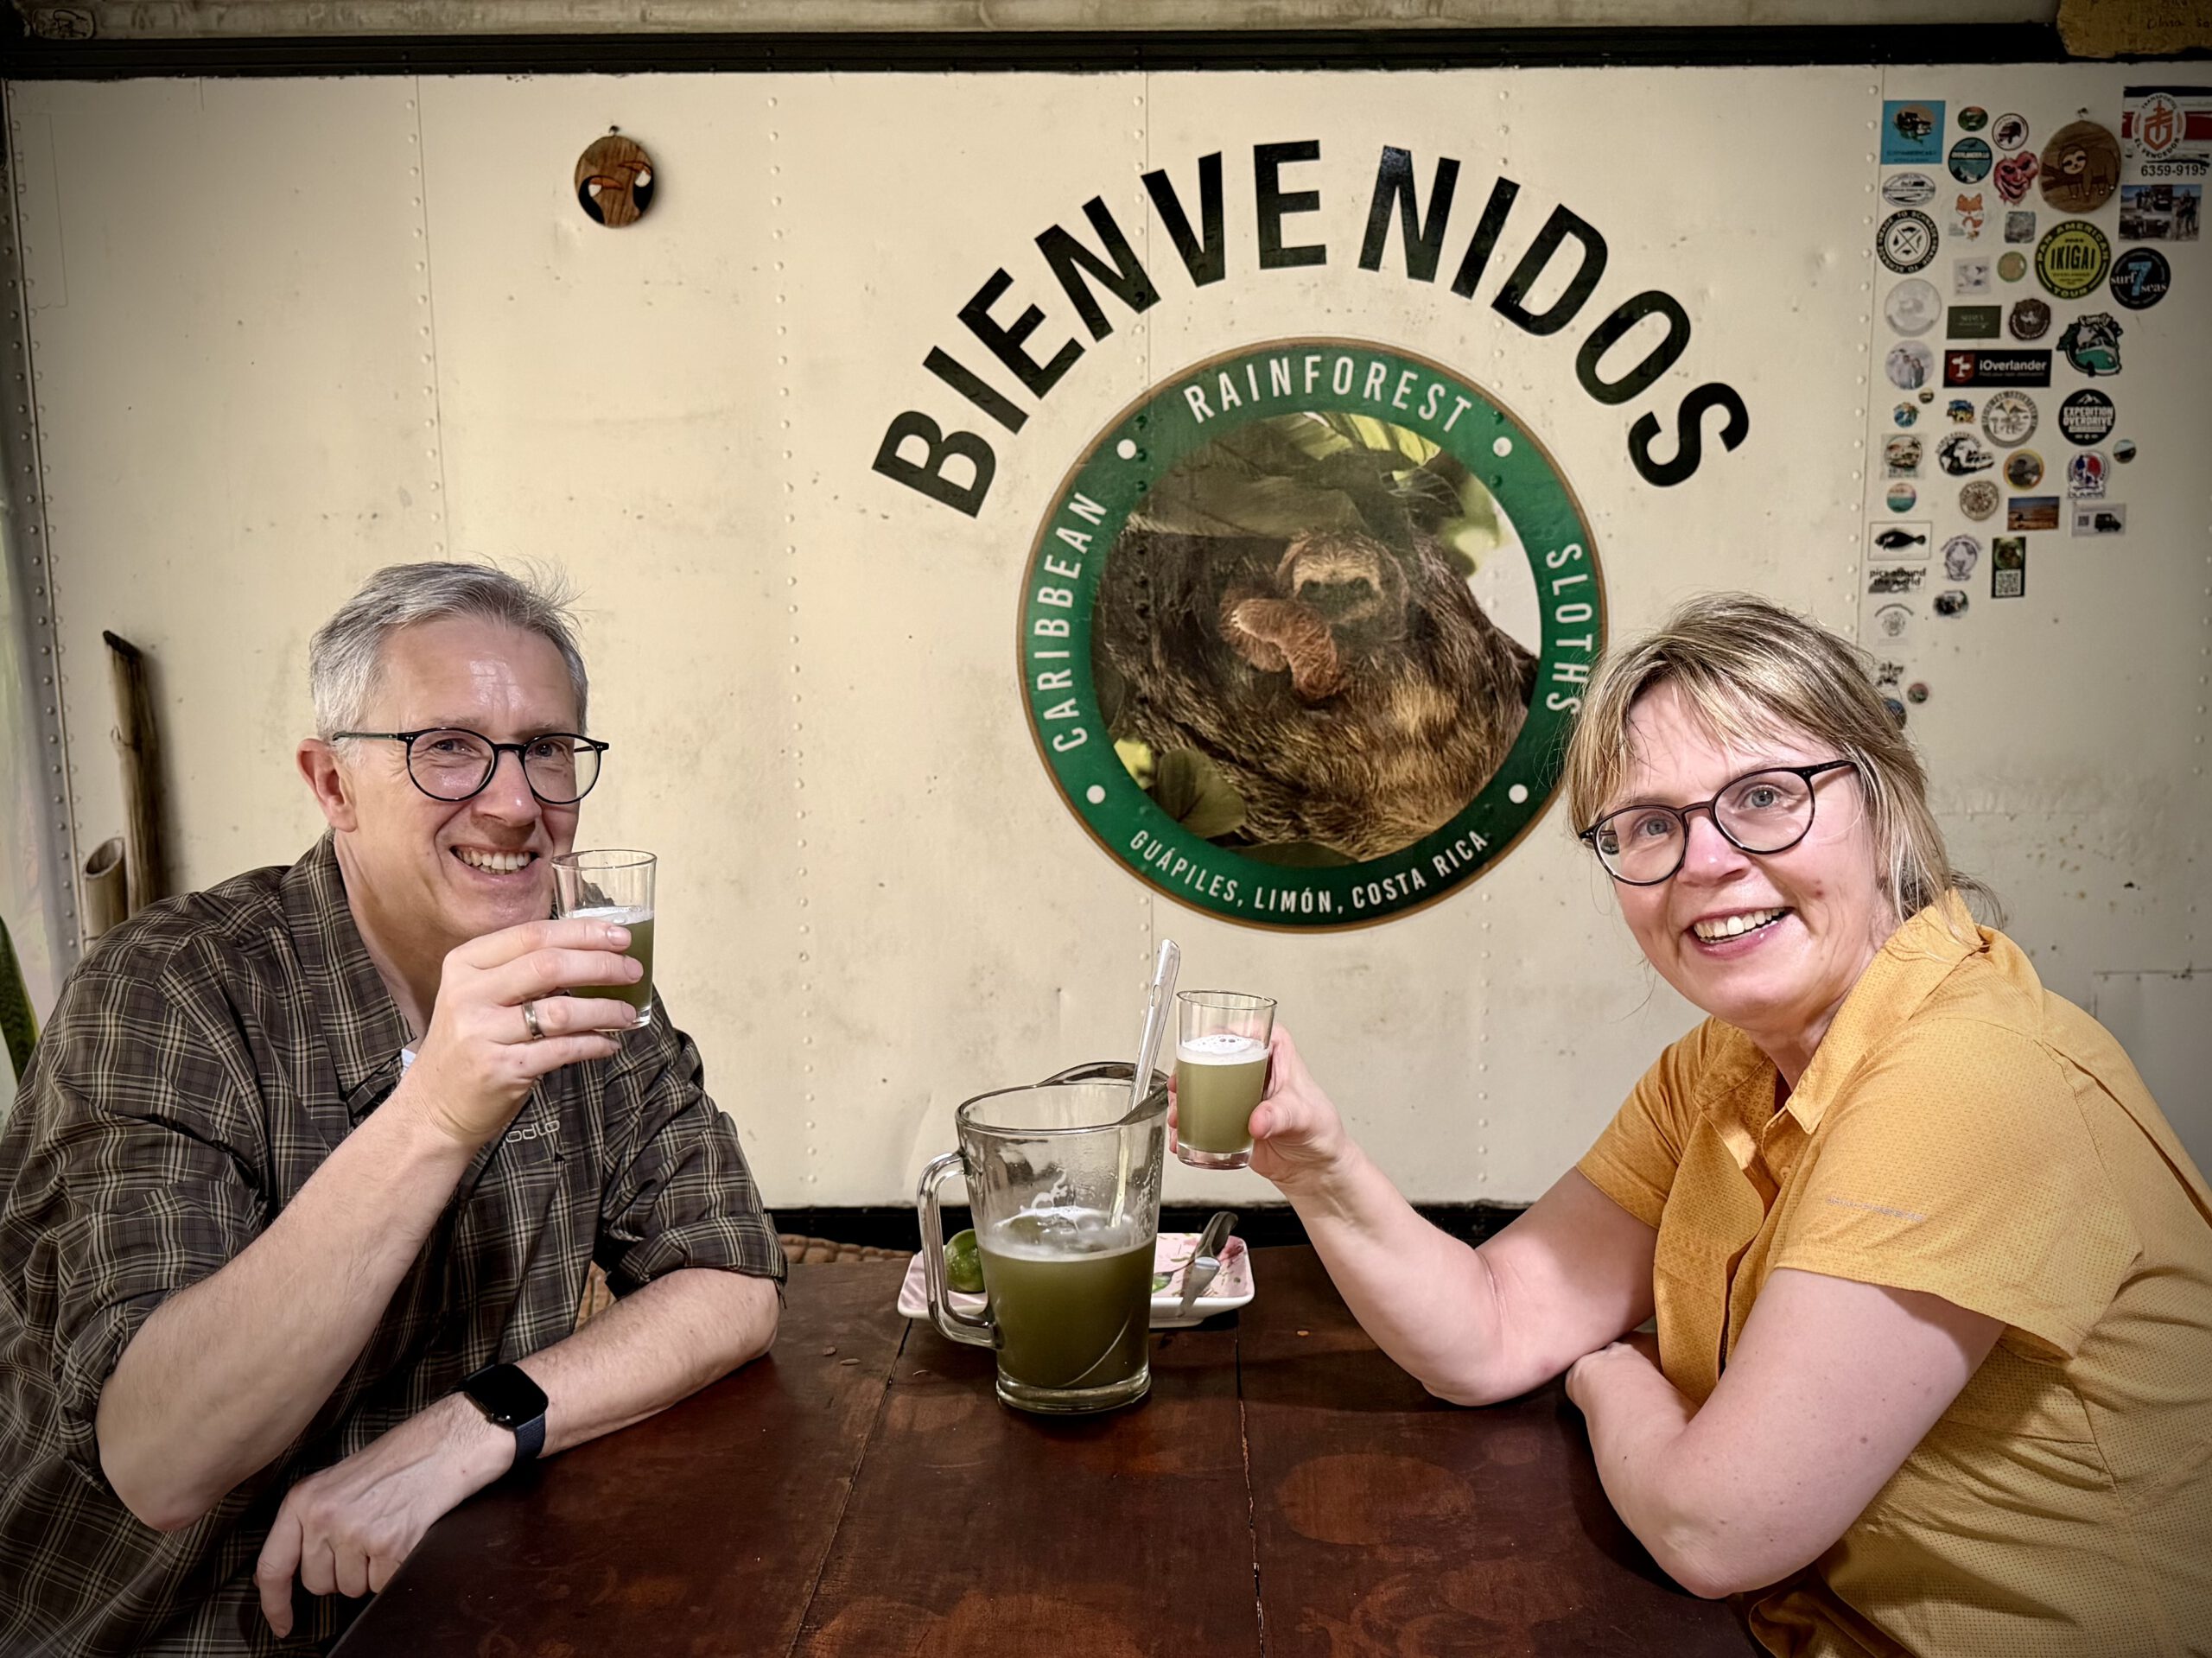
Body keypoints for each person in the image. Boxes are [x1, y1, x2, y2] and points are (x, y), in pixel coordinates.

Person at [1230, 593, 2212, 1655]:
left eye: (1764, 795)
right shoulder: (1723, 1064)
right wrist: (1319, 1168)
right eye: (1651, 823)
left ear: (1885, 805)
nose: (1704, 861)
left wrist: (1611, 1373)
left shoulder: (1966, 1074)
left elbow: (1716, 1528)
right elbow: (1491, 1327)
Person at [0, 562, 786, 1655]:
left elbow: (732, 1271)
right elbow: (160, 1456)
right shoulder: (172, 988)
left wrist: (473, 1427)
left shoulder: (580, 949)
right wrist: (435, 1111)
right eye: (448, 746)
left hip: (449, 1605)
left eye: (546, 748)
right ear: (334, 784)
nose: (515, 803)